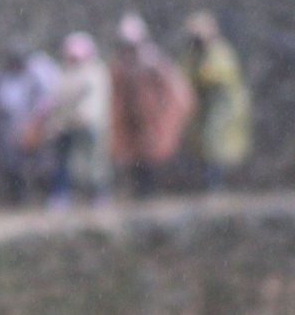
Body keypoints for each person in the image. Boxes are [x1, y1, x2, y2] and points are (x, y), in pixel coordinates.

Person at [108, 12, 193, 198]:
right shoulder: (120, 63)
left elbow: (172, 87)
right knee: (133, 154)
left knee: (149, 154)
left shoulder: (152, 61)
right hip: (130, 116)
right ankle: (139, 189)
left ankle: (148, 190)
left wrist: (165, 110)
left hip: (151, 116)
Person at [182, 10, 252, 190]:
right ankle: (209, 182)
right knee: (201, 145)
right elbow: (184, 74)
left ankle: (215, 183)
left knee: (214, 142)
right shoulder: (192, 54)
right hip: (201, 104)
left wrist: (202, 75)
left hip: (220, 103)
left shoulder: (220, 50)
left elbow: (221, 74)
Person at [44, 31, 112, 208]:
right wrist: (55, 122)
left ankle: (98, 194)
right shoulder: (63, 73)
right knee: (62, 161)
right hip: (66, 125)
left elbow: (94, 99)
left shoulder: (95, 72)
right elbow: (57, 100)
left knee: (93, 161)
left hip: (88, 123)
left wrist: (84, 114)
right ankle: (61, 194)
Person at [0, 40, 58, 204]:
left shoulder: (35, 77)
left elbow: (44, 101)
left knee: (42, 162)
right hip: (10, 126)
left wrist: (33, 123)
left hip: (34, 124)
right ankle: (18, 196)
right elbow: (2, 102)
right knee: (11, 162)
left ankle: (48, 194)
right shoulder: (4, 78)